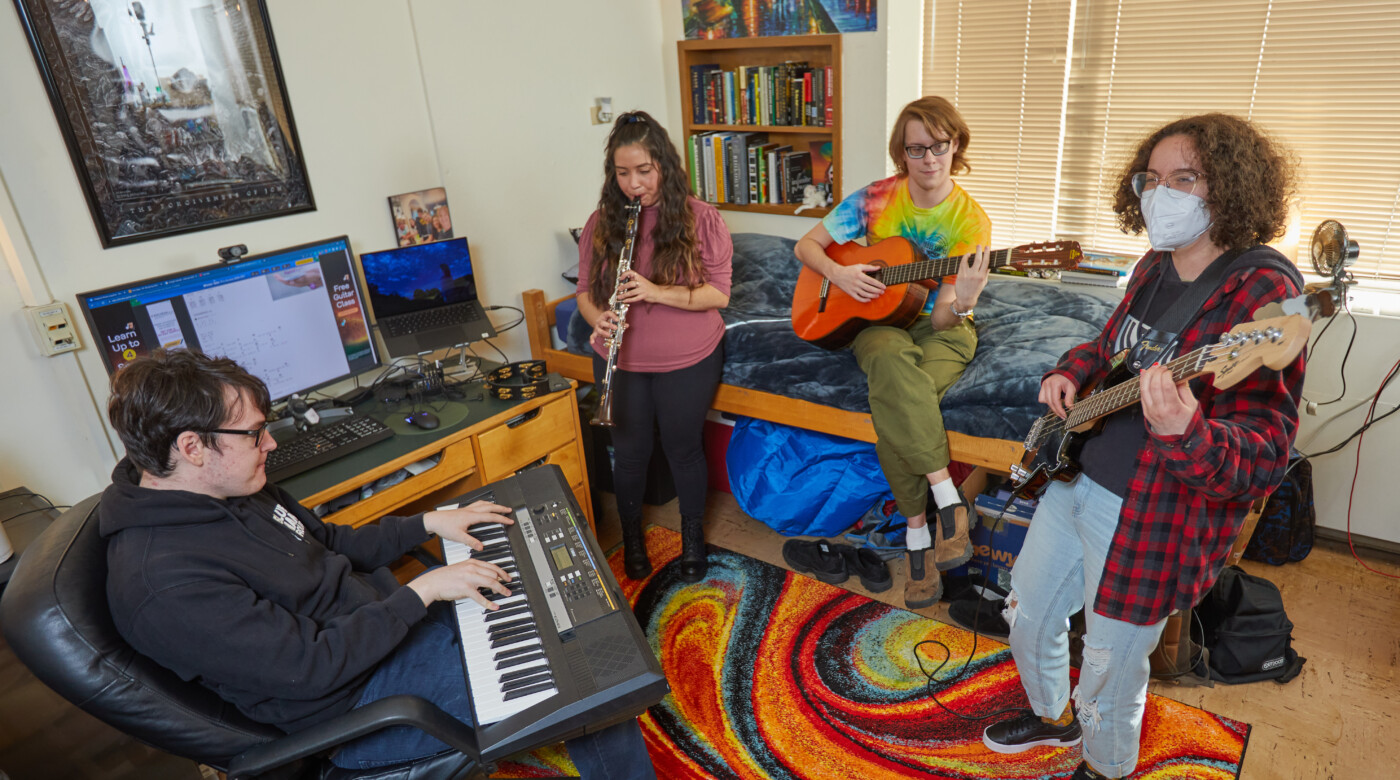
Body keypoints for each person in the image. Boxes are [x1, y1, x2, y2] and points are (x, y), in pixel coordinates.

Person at [100, 349, 655, 777]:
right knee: (589, 688)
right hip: (361, 708)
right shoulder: (162, 582)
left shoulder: (233, 486)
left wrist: (428, 524)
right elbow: (309, 668)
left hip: (384, 633)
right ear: (193, 448)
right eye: (254, 433)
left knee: (550, 606)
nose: (270, 444)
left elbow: (329, 539)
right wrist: (422, 592)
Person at [981, 114, 1305, 780]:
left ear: (1232, 189)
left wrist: (1188, 430)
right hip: (1074, 475)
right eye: (1152, 179)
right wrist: (1069, 371)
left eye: (1185, 178)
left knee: (1109, 668)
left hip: (1147, 514)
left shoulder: (1265, 295)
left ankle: (1103, 766)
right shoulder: (1154, 265)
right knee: (1028, 613)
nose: (1164, 194)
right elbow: (1108, 347)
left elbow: (1265, 451)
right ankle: (1050, 718)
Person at [793, 96, 991, 609]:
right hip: (879, 322)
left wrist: (964, 300)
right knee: (886, 360)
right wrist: (839, 273)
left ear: (956, 146)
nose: (929, 159)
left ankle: (917, 532)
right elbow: (806, 248)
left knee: (900, 394)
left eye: (939, 146)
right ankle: (946, 499)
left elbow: (945, 313)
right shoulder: (878, 197)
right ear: (901, 154)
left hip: (941, 329)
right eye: (916, 148)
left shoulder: (970, 222)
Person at [575, 109, 732, 583]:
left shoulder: (700, 218)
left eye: (644, 171)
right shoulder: (603, 221)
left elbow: (719, 294)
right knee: (630, 451)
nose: (634, 183)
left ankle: (692, 541)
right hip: (619, 358)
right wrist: (596, 317)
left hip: (688, 357)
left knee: (683, 449)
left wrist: (654, 291)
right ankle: (633, 540)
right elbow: (584, 291)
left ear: (663, 163)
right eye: (622, 173)